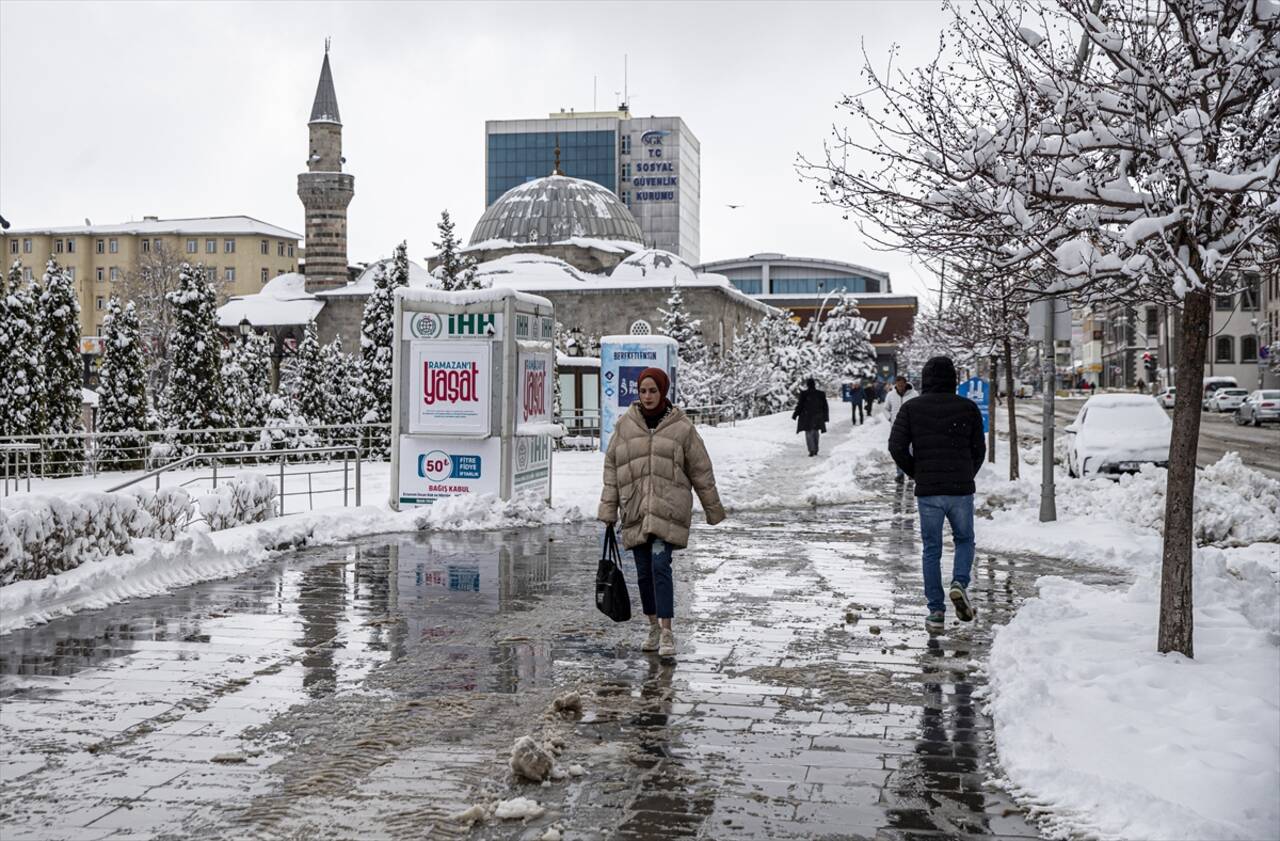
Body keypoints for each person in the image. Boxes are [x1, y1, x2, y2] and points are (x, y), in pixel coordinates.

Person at [598, 367, 725, 658]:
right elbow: (612, 471)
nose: (647, 396)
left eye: (653, 390)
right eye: (643, 391)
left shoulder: (682, 428)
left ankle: (667, 631)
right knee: (643, 573)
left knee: (659, 566)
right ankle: (653, 625)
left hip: (668, 509)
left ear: (663, 391)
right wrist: (608, 509)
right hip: (636, 509)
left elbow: (701, 469)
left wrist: (712, 509)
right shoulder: (625, 426)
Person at [887, 356, 985, 634]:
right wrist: (967, 473)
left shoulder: (912, 408)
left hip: (928, 490)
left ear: (925, 378)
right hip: (960, 489)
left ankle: (936, 612)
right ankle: (959, 583)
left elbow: (896, 447)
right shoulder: (968, 408)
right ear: (953, 379)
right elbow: (979, 449)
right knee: (964, 539)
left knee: (932, 549)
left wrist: (916, 472)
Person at [884, 375, 917, 482]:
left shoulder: (914, 394)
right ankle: (900, 474)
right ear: (895, 384)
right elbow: (885, 409)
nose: (900, 386)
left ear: (905, 383)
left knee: (911, 450)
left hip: (911, 427)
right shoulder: (890, 395)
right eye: (898, 385)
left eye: (902, 384)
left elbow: (919, 409)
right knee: (898, 450)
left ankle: (912, 472)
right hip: (896, 428)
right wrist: (890, 418)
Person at [792, 377, 830, 457]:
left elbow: (800, 405)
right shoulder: (820, 394)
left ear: (807, 385)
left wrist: (795, 414)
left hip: (807, 416)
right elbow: (825, 406)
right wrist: (826, 417)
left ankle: (811, 449)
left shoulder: (804, 394)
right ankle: (815, 449)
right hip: (818, 416)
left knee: (808, 432)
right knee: (815, 432)